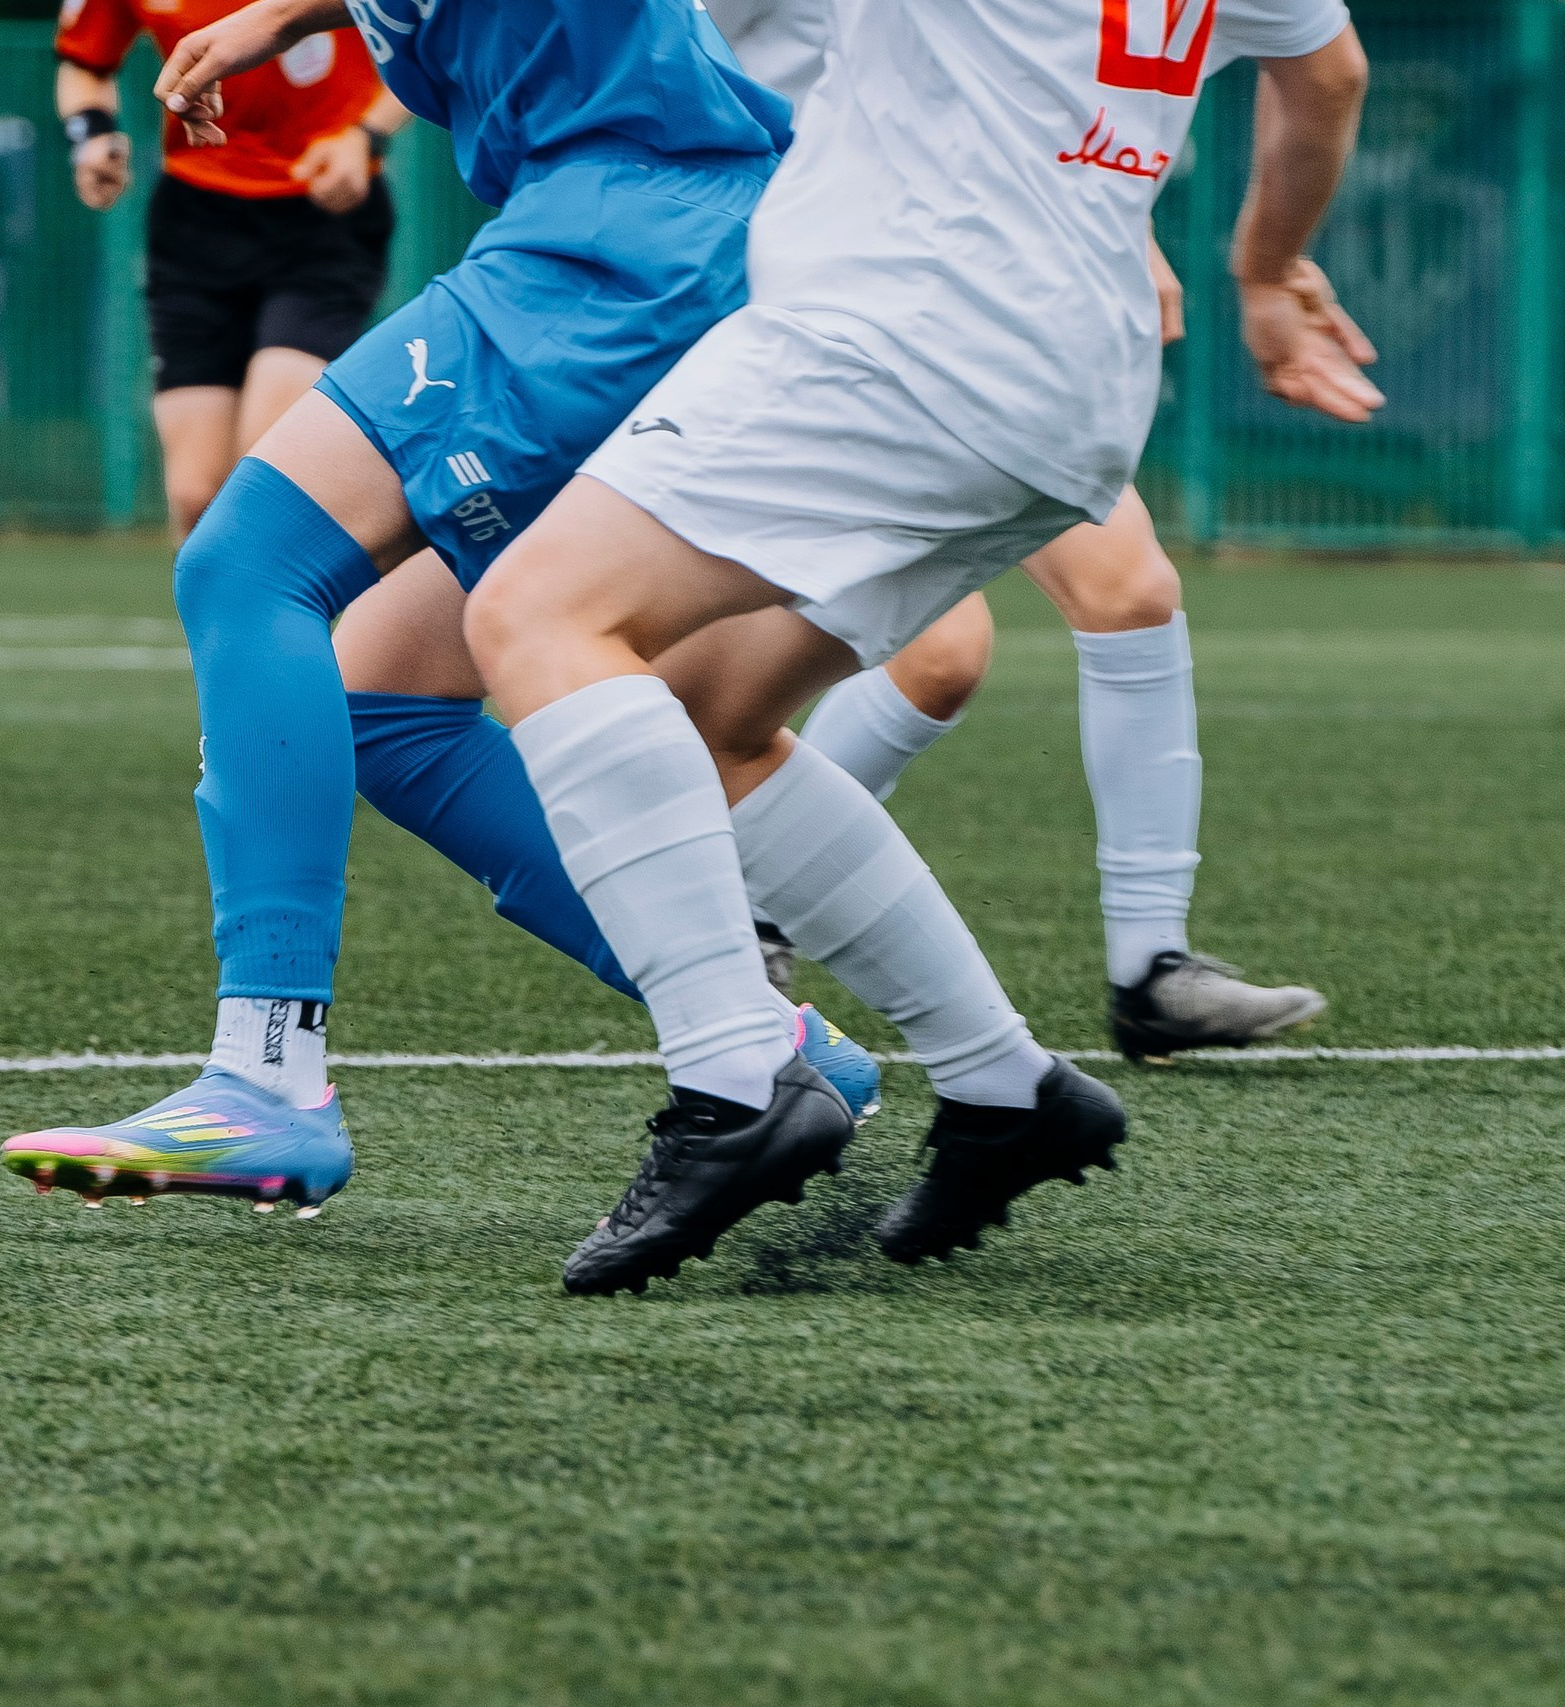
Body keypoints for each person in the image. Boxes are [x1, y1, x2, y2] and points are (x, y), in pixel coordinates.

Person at [456, 0, 1374, 1291]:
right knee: (714, 720)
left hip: (894, 339)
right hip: (1075, 380)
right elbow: (1328, 74)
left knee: (537, 615)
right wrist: (1267, 270)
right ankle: (1007, 1089)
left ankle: (733, 1080)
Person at [0, 0, 890, 1217]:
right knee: (388, 696)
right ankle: (767, 1034)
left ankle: (264, 1074)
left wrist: (280, 21)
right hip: (655, 227)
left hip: (616, 238)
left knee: (246, 566)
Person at [54, 0, 409, 540]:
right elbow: (86, 63)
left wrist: (366, 136)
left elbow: (435, 29)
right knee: (196, 497)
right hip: (195, 221)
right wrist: (92, 137)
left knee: (267, 469)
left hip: (322, 214)